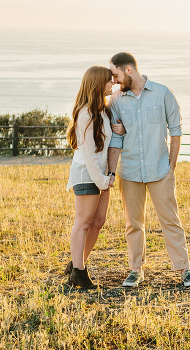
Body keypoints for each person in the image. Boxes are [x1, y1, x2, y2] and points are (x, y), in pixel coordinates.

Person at [107, 52, 190, 288]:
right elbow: (116, 140)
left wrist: (171, 166)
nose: (113, 81)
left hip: (160, 170)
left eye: (115, 75)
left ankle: (184, 269)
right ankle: (135, 270)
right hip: (129, 171)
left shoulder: (162, 93)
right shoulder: (115, 100)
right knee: (133, 223)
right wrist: (111, 171)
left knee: (171, 220)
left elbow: (176, 130)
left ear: (128, 69)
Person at [64, 65, 125, 289]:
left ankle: (76, 264)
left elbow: (107, 141)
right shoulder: (86, 112)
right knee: (83, 223)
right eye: (109, 81)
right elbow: (88, 152)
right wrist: (100, 180)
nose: (113, 84)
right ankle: (79, 273)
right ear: (98, 84)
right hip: (86, 173)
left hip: (101, 175)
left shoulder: (103, 111)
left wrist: (119, 130)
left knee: (98, 222)